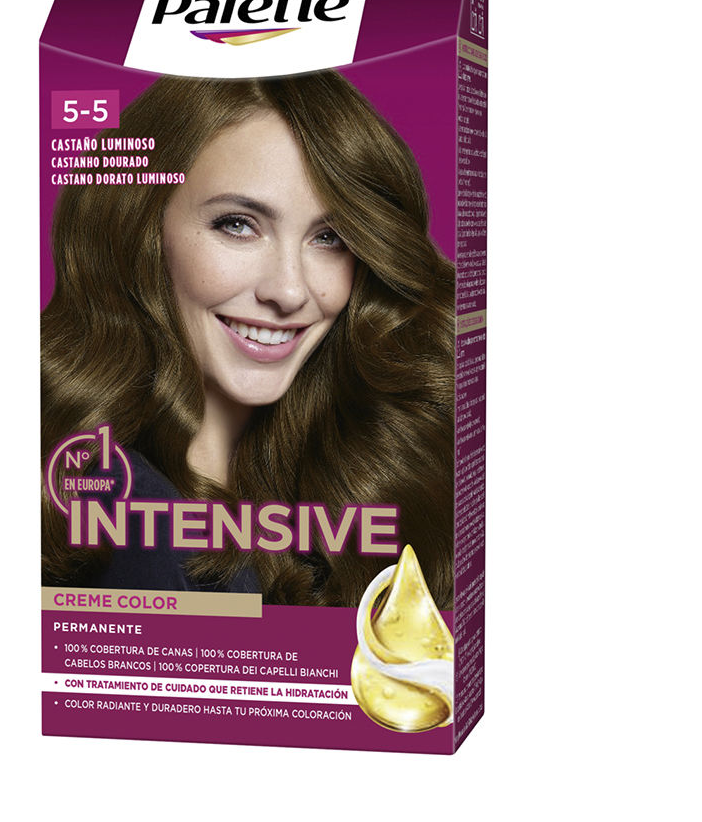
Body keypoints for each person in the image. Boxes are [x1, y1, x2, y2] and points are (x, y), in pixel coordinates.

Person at [41, 71, 455, 609]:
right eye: (238, 225)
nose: (289, 290)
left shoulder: (329, 482)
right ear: (138, 229)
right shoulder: (122, 505)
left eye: (329, 238)